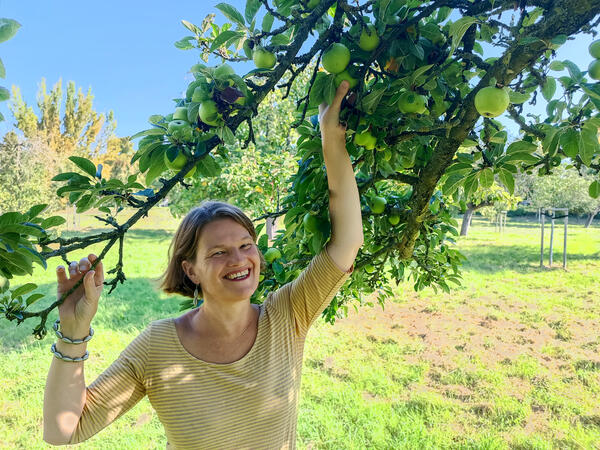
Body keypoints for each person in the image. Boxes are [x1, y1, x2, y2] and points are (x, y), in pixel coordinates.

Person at [43, 80, 363, 449]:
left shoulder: (287, 315)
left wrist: (331, 138)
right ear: (190, 269)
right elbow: (63, 430)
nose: (239, 259)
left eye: (246, 245)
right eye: (218, 252)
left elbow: (347, 241)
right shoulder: (158, 345)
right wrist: (73, 328)